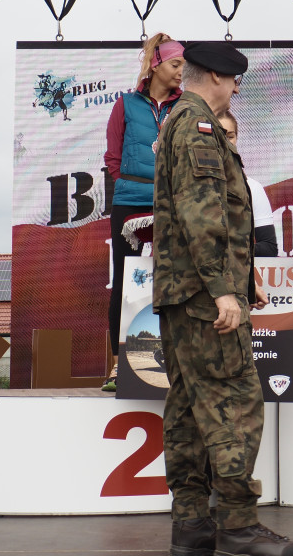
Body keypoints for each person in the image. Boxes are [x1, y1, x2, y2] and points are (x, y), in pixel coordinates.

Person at [153, 41, 293, 556]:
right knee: (235, 403)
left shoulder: (181, 121)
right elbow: (202, 217)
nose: (238, 89)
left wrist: (244, 282)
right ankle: (239, 526)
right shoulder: (197, 126)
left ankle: (192, 526)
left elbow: (211, 217)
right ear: (217, 76)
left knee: (186, 409)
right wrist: (225, 292)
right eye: (235, 79)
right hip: (204, 298)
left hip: (186, 294)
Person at [102, 33, 184, 391]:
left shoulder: (187, 106)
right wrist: (136, 186)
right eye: (176, 64)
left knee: (177, 279)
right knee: (125, 280)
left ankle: (173, 363)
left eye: (183, 65)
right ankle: (120, 365)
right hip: (130, 202)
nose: (182, 71)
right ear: (156, 64)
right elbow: (112, 159)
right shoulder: (125, 104)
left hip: (174, 201)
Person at [219, 110, 278, 257]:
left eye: (230, 136)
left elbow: (269, 248)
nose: (225, 141)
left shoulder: (252, 187)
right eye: (218, 135)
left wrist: (227, 252)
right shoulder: (187, 184)